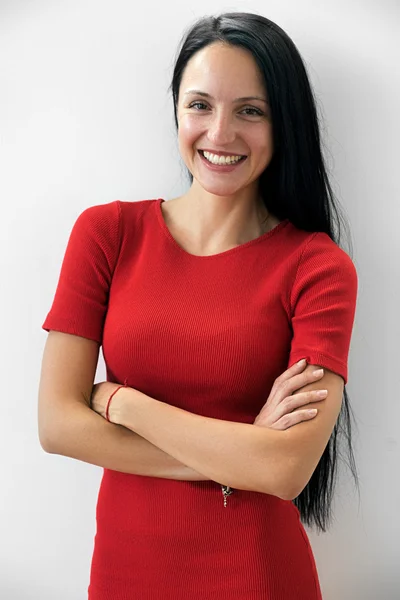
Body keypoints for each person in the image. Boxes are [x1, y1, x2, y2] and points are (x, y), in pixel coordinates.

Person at [38, 11, 358, 600]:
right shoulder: (105, 234)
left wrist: (123, 402)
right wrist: (242, 453)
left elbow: (285, 470)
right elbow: (57, 426)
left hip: (257, 575)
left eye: (250, 111)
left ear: (283, 122)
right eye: (201, 105)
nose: (220, 134)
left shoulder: (317, 267)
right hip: (124, 575)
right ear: (177, 110)